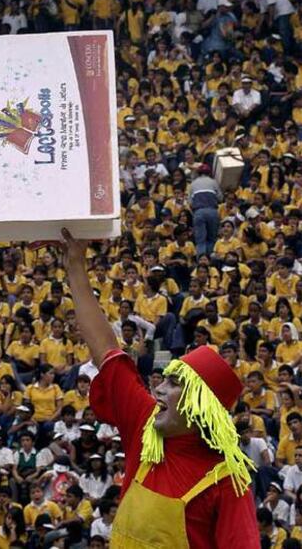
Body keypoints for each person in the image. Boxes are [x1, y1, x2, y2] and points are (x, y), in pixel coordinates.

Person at [60, 228, 259, 547]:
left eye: (173, 383)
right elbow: (106, 350)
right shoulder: (145, 423)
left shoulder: (228, 482)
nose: (158, 390)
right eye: (163, 379)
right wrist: (74, 265)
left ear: (199, 405)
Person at [189, 164, 222, 257]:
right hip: (212, 211)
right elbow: (220, 198)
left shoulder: (193, 183)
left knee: (200, 240)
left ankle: (201, 260)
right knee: (212, 238)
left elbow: (190, 202)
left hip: (199, 212)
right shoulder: (213, 182)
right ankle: (210, 259)